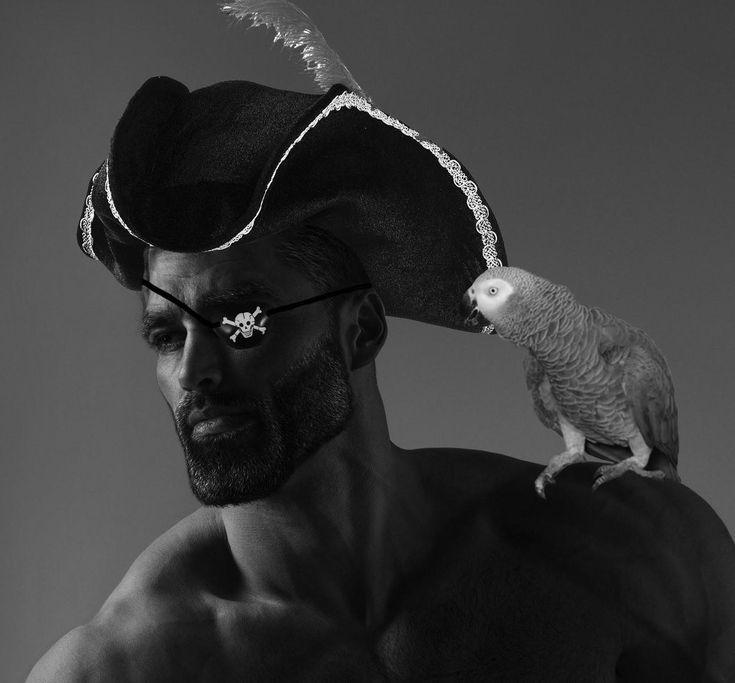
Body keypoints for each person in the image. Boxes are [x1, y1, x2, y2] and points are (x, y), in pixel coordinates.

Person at [28, 60, 735, 683]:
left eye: (241, 319)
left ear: (360, 329)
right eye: (165, 334)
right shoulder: (119, 669)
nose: (193, 369)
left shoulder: (629, 553)